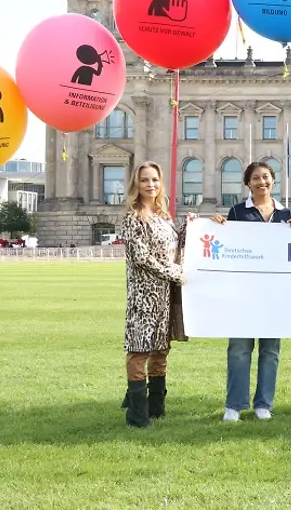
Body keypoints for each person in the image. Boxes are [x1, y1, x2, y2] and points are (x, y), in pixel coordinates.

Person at [209, 162, 291, 422]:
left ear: (273, 181)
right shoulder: (237, 211)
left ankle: (263, 404)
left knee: (270, 351)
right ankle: (234, 405)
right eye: (256, 178)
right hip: (243, 294)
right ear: (248, 183)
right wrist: (217, 226)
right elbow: (226, 245)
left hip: (274, 294)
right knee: (239, 349)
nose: (262, 182)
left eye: (266, 177)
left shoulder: (285, 214)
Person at [119, 161, 185, 428]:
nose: (151, 185)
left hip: (165, 294)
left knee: (160, 350)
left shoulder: (163, 216)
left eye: (155, 180)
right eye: (145, 180)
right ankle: (136, 415)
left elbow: (177, 245)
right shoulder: (133, 217)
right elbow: (141, 258)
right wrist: (174, 272)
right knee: (139, 350)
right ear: (136, 184)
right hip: (143, 295)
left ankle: (157, 408)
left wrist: (196, 225)